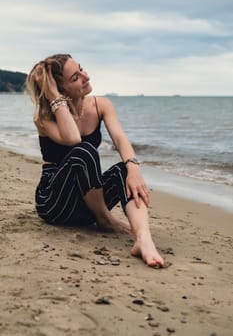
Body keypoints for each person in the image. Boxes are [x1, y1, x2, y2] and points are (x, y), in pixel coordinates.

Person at [26, 53, 164, 268]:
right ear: (60, 89)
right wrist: (54, 96)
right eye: (75, 78)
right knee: (83, 150)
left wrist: (133, 168)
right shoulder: (43, 117)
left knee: (125, 170)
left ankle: (143, 239)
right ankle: (105, 219)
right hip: (55, 203)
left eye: (82, 69)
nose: (86, 76)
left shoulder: (101, 105)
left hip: (87, 202)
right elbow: (73, 139)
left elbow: (119, 138)